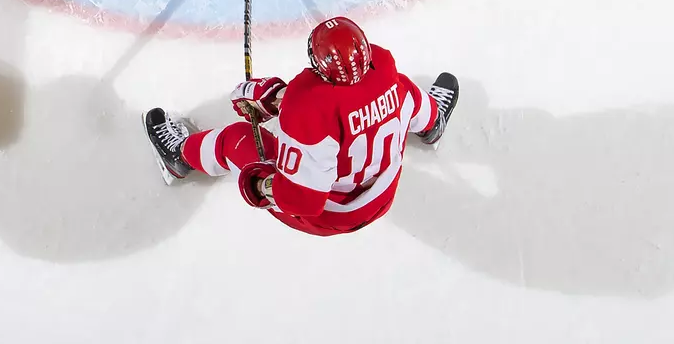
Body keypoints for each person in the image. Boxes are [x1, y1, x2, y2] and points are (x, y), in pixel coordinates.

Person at [144, 16, 459, 236]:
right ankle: (433, 128)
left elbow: (303, 201)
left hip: (332, 215)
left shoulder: (309, 116)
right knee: (410, 97)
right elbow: (367, 105)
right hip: (384, 194)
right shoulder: (388, 76)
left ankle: (179, 158)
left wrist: (260, 183)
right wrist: (278, 97)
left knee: (236, 139)